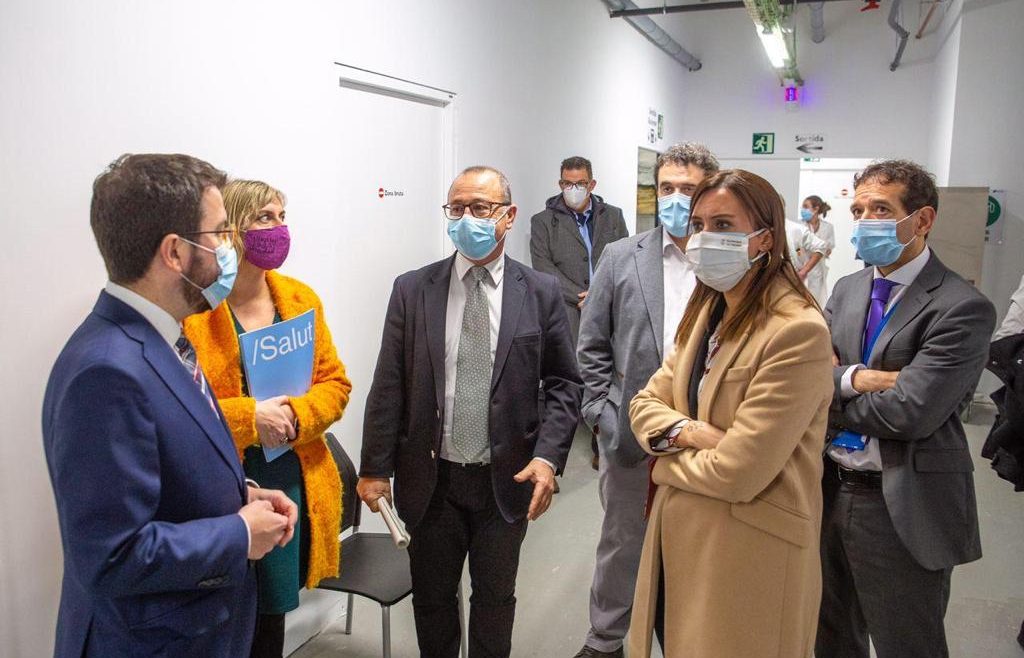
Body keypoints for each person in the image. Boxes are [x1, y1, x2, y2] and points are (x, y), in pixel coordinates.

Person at [42, 154, 298, 657]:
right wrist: (239, 533)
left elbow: (164, 472)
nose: (230, 248)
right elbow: (112, 555)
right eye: (220, 232)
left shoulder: (165, 339)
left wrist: (242, 495)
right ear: (175, 252)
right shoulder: (106, 371)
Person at [357, 166, 581, 658]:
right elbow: (389, 383)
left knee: (495, 600)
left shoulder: (539, 291)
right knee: (432, 600)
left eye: (480, 208)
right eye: (456, 208)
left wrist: (547, 458)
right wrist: (374, 468)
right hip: (430, 478)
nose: (466, 219)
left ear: (509, 216)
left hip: (507, 479)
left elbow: (565, 384)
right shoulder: (413, 289)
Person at [627, 169, 833, 657]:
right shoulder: (707, 312)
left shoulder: (796, 331)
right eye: (699, 225)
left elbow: (739, 472)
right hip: (684, 538)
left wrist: (662, 464)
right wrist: (692, 432)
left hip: (750, 549)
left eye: (723, 225)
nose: (704, 238)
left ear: (765, 237)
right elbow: (643, 405)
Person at [817, 159, 996, 658]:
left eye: (881, 209)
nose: (865, 221)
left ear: (923, 220)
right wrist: (859, 379)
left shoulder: (961, 306)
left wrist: (831, 394)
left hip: (901, 502)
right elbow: (804, 379)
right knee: (830, 636)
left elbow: (911, 412)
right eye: (858, 210)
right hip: (828, 488)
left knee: (907, 643)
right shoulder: (847, 289)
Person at [183, 180, 352, 658]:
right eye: (264, 217)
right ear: (232, 229)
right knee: (224, 615)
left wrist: (296, 414)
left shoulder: (300, 300)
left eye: (282, 217)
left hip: (289, 479)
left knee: (270, 620)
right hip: (222, 486)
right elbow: (180, 408)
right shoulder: (195, 314)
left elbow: (335, 385)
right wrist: (247, 418)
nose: (278, 228)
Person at [572, 142, 719, 658]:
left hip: (708, 437)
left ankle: (686, 642)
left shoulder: (729, 259)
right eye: (666, 188)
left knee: (699, 547)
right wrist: (602, 417)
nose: (675, 198)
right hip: (630, 433)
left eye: (688, 189)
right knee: (621, 543)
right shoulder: (621, 256)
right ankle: (605, 640)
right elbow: (591, 345)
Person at [531, 156, 628, 471]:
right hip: (565, 312)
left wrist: (600, 294)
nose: (573, 189)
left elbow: (624, 258)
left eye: (580, 183)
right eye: (567, 183)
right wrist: (580, 296)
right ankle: (547, 459)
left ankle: (602, 445)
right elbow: (543, 267)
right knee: (561, 382)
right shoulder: (543, 221)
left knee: (605, 378)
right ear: (560, 184)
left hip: (608, 309)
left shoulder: (613, 216)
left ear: (592, 184)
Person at [799, 195, 837, 305]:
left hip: (818, 270)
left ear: (815, 209)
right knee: (800, 301)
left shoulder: (827, 227)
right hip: (801, 267)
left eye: (806, 206)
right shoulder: (799, 226)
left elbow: (829, 249)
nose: (802, 209)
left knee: (816, 301)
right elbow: (796, 246)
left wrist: (820, 251)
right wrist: (799, 252)